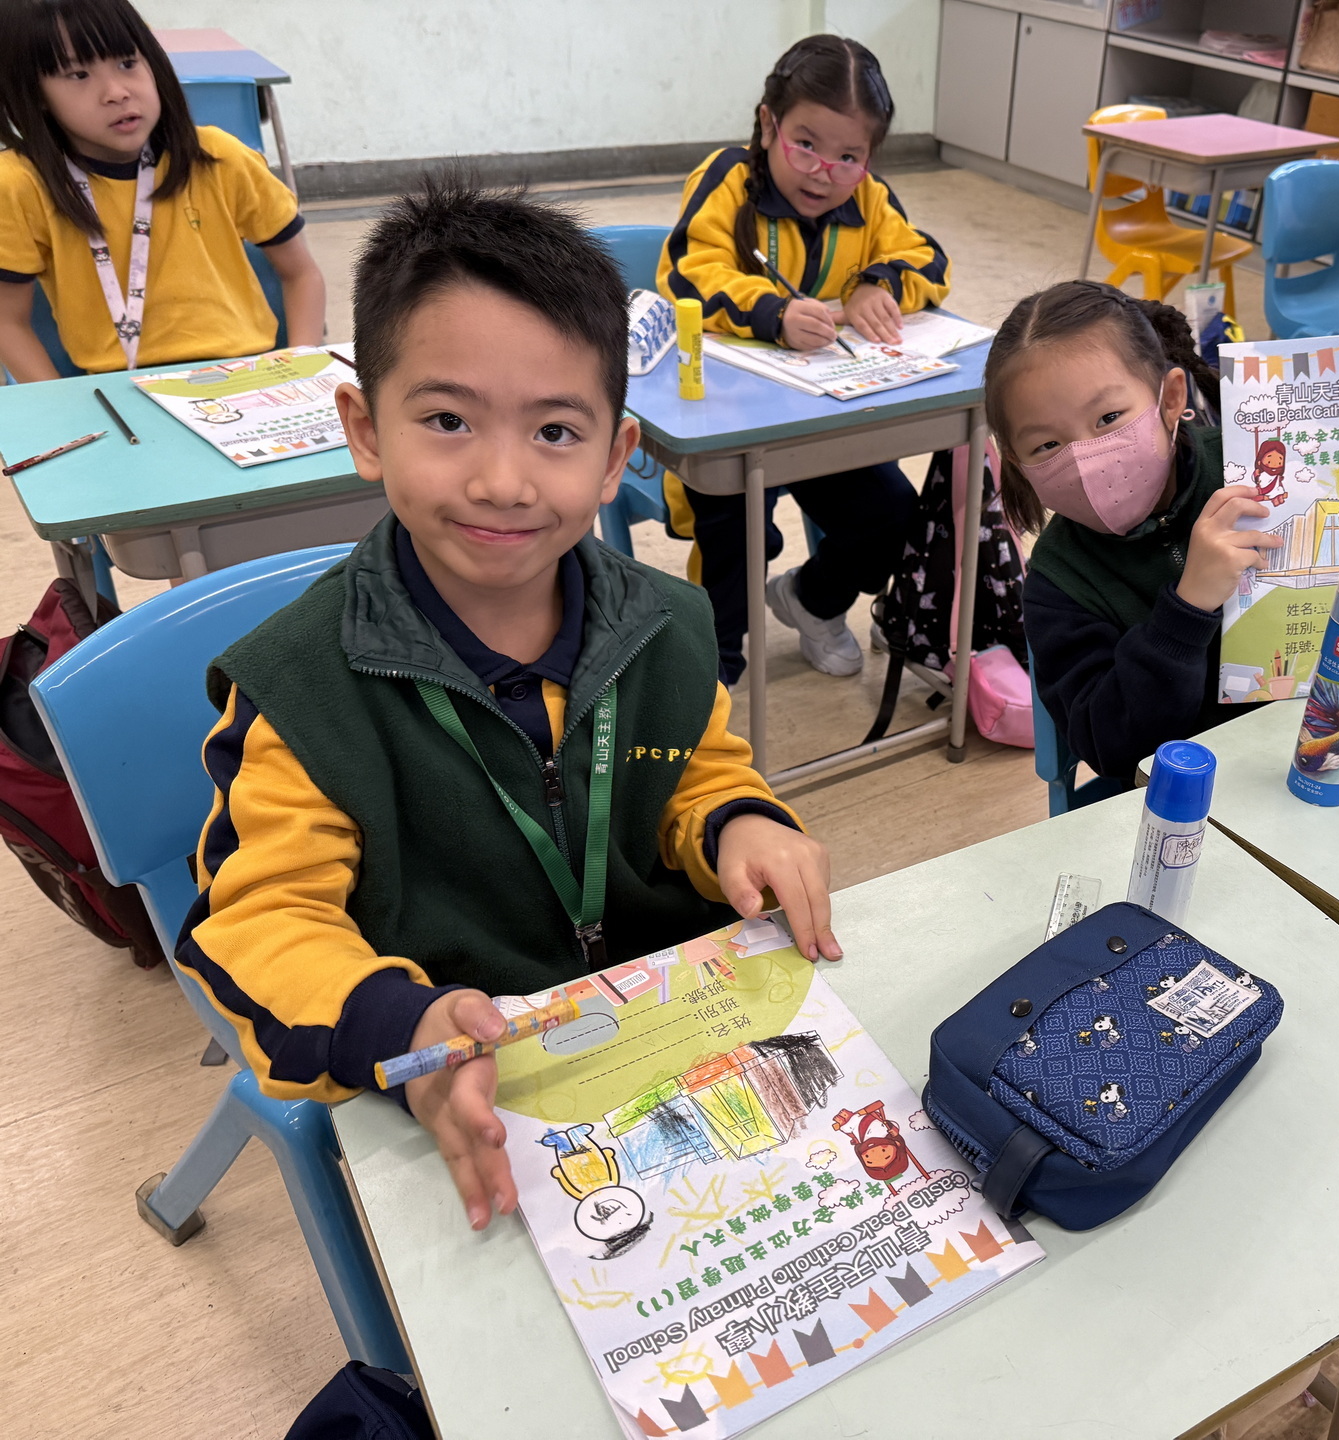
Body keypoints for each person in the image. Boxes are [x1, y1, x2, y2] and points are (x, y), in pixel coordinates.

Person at [176, 178, 838, 1231]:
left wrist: (737, 822)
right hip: (462, 1084)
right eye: (447, 420)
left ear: (617, 457)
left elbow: (695, 771)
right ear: (366, 429)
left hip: (669, 1037)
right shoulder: (301, 692)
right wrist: (404, 1028)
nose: (502, 480)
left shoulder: (667, 625)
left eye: (556, 432)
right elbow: (262, 921)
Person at [995, 147, 1339, 780]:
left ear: (1171, 399)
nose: (1084, 458)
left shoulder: (1260, 458)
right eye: (1046, 446)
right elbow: (1114, 748)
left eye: (1107, 419)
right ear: (1014, 459)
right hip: (1205, 797)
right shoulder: (1060, 582)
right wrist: (1188, 607)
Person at [659, 34, 947, 682]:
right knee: (736, 540)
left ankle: (813, 601)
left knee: (894, 517)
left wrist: (876, 281)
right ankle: (718, 667)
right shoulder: (728, 180)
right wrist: (771, 313)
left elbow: (928, 260)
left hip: (825, 420)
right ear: (769, 125)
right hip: (729, 424)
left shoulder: (869, 199)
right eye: (806, 144)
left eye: (849, 157)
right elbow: (687, 275)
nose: (824, 171)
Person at [0, 0, 324, 381]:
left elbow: (302, 274)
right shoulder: (20, 185)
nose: (116, 92)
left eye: (128, 63)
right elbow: (7, 321)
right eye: (78, 74)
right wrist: (60, 405)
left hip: (245, 378)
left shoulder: (219, 157)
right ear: (34, 93)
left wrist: (301, 370)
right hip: (117, 389)